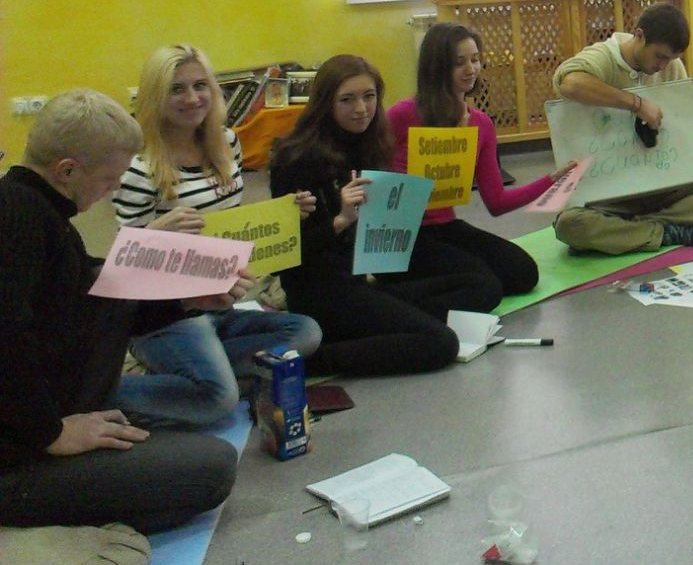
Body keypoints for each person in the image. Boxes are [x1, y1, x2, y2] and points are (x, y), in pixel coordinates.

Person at [0, 90, 238, 534]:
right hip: (18, 456)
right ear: (67, 170)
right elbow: (6, 338)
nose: (111, 190)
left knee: (194, 467)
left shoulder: (45, 216)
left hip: (66, 405)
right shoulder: (18, 217)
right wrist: (51, 433)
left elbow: (103, 309)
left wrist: (186, 300)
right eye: (109, 180)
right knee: (213, 467)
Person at [110, 45, 322, 427]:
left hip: (220, 305)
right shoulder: (139, 167)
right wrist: (156, 233)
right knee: (218, 400)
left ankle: (200, 374)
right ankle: (100, 392)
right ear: (155, 96)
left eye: (200, 85)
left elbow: (229, 220)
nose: (192, 98)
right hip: (167, 315)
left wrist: (284, 213)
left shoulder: (226, 142)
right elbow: (125, 270)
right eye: (176, 89)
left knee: (306, 332)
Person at [268, 55, 478, 376]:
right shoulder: (295, 159)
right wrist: (339, 221)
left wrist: (404, 204)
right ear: (325, 104)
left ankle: (382, 327)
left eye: (369, 97)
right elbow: (286, 258)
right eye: (347, 100)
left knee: (476, 285)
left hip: (361, 279)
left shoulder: (369, 143)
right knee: (441, 343)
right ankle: (311, 361)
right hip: (320, 293)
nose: (361, 109)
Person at [388, 22, 577, 303]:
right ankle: (393, 296)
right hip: (402, 234)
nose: (471, 69)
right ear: (437, 67)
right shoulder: (402, 114)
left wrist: (550, 181)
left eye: (475, 60)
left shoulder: (481, 124)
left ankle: (420, 287)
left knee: (523, 273)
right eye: (459, 63)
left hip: (444, 227)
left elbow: (497, 202)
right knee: (484, 287)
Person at [551, 3, 693, 254]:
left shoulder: (672, 67)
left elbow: (682, 127)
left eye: (670, 59)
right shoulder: (604, 56)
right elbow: (570, 84)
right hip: (610, 196)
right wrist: (636, 104)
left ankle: (638, 231)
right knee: (569, 225)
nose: (664, 66)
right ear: (639, 36)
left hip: (663, 186)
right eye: (660, 56)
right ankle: (674, 230)